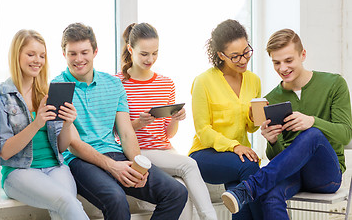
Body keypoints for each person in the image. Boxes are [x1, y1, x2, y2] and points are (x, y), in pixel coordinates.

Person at [53, 22, 188, 220]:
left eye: (84, 52)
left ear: (95, 51)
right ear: (64, 54)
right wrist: (112, 166)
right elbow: (73, 145)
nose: (79, 59)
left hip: (116, 154)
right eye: (72, 53)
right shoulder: (58, 87)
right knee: (116, 199)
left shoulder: (114, 84)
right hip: (80, 162)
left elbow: (126, 133)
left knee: (176, 192)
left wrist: (138, 166)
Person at [221, 29, 352, 220]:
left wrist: (312, 122)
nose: (283, 68)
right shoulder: (271, 99)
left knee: (313, 134)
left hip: (325, 174)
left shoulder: (334, 84)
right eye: (276, 62)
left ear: (303, 55)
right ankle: (251, 189)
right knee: (271, 195)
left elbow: (345, 135)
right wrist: (272, 141)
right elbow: (278, 158)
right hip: (292, 174)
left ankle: (249, 188)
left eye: (288, 60)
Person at [116, 22, 218, 220]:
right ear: (130, 49)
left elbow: (168, 134)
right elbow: (113, 133)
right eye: (144, 54)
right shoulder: (118, 83)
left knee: (181, 189)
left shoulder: (166, 84)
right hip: (137, 152)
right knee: (189, 165)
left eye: (155, 53)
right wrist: (138, 124)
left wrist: (176, 118)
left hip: (164, 151)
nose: (150, 59)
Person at [0, 29, 89, 220]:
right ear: (17, 55)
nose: (37, 60)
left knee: (63, 209)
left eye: (42, 56)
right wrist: (36, 123)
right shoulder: (1, 96)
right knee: (66, 201)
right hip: (20, 171)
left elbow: (61, 146)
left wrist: (67, 123)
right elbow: (5, 152)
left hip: (55, 166)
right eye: (31, 54)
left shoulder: (47, 93)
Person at [189, 19, 264, 220]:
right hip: (205, 154)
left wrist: (253, 118)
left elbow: (250, 128)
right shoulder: (203, 82)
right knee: (250, 166)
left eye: (246, 52)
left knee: (240, 195)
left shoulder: (253, 80)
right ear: (221, 55)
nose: (243, 59)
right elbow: (203, 131)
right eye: (235, 56)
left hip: (238, 156)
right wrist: (234, 146)